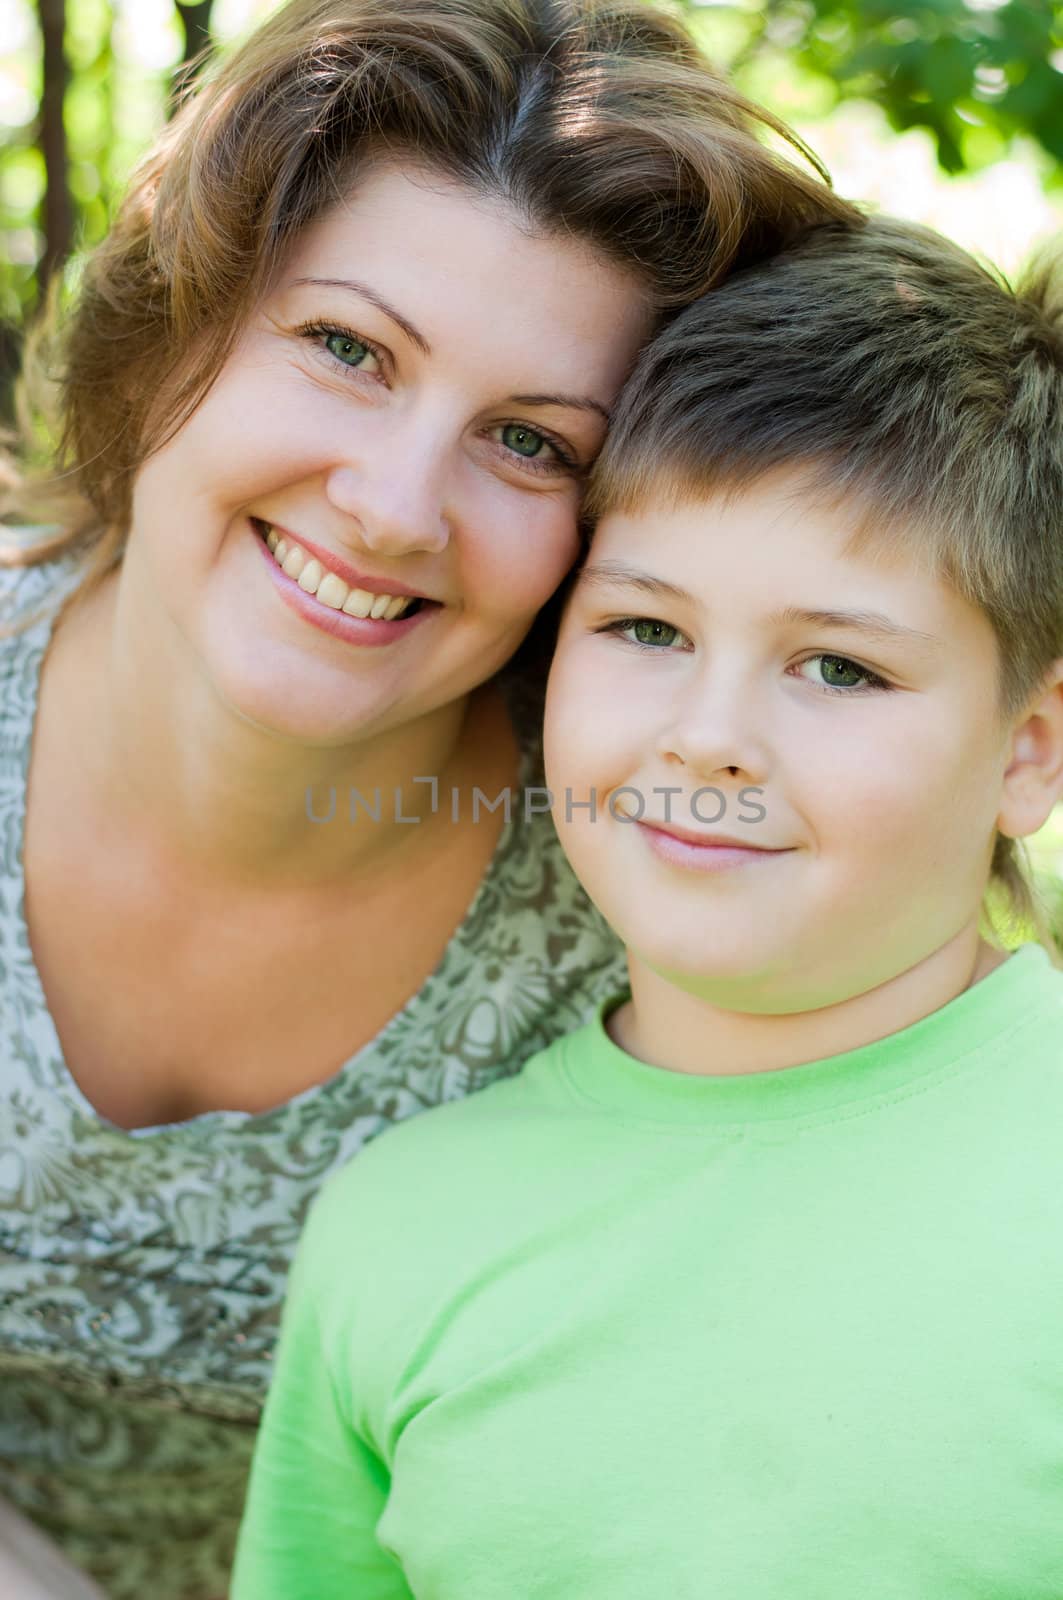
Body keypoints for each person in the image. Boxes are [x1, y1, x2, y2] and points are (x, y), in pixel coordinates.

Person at [0, 0, 858, 1593]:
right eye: (346, 349)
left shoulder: (641, 920)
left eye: (530, 443)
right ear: (182, 321)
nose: (396, 508)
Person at [232, 215, 1063, 1598]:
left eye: (841, 669)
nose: (707, 737)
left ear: (1027, 751)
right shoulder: (399, 1231)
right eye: (647, 632)